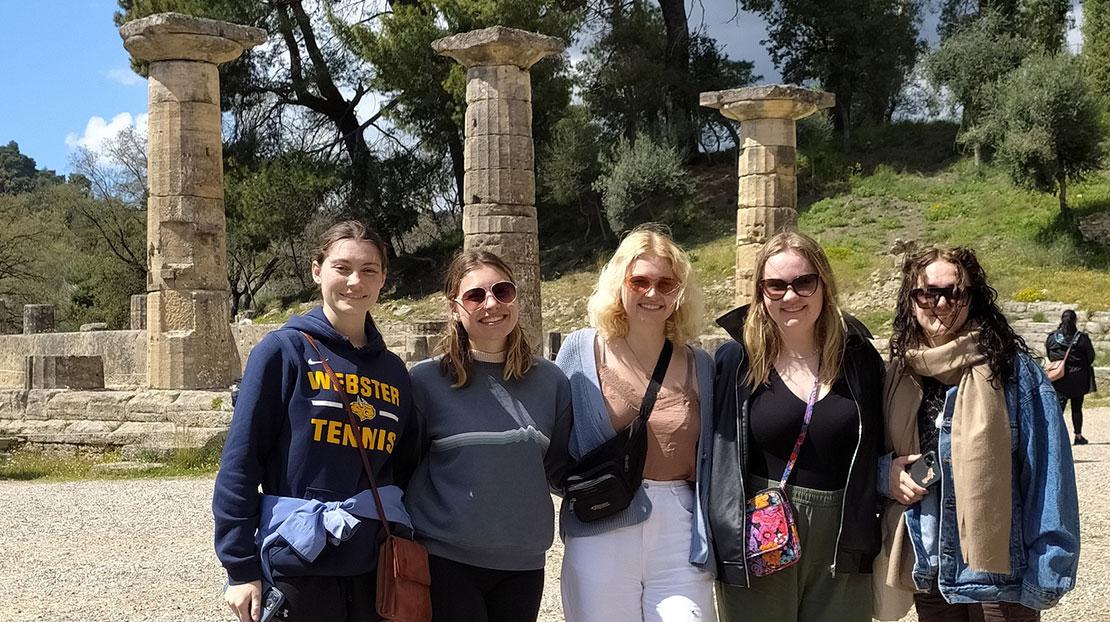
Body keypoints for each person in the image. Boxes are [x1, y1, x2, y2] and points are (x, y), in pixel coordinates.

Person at [213, 221, 417, 622]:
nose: (355, 281)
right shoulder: (281, 351)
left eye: (369, 270)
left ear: (383, 280)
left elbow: (405, 468)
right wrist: (239, 566)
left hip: (374, 566)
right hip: (296, 562)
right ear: (316, 271)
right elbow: (240, 463)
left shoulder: (394, 372)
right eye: (342, 268)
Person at [880, 246, 1080, 621]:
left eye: (953, 292)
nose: (939, 303)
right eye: (926, 293)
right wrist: (885, 474)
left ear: (973, 298)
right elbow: (873, 457)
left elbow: (1049, 475)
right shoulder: (899, 375)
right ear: (911, 300)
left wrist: (1049, 568)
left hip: (1001, 578)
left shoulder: (1014, 372)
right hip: (933, 569)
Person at [709, 231, 886, 622]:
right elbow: (710, 450)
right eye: (775, 285)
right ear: (761, 292)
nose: (790, 296)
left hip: (843, 535)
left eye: (804, 282)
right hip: (761, 530)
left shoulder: (859, 357)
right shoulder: (737, 360)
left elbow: (882, 443)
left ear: (824, 283)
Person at [555, 225, 716, 622]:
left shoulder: (702, 366)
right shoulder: (580, 350)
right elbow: (552, 439)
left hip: (681, 528)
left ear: (679, 292)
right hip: (600, 526)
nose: (652, 293)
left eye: (665, 283)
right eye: (639, 281)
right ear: (619, 284)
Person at [404, 249, 572, 622]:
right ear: (455, 307)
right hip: (445, 558)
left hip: (523, 562)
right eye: (475, 295)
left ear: (516, 297)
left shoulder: (551, 381)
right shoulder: (426, 381)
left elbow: (558, 469)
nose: (491, 303)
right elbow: (405, 467)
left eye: (502, 291)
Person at [1045, 309, 1097, 445]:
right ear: (1075, 321)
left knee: (1058, 408)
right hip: (1078, 377)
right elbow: (1090, 357)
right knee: (1076, 407)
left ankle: (1055, 437)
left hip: (1059, 377)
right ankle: (1078, 436)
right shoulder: (1082, 338)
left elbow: (1049, 355)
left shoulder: (1052, 337)